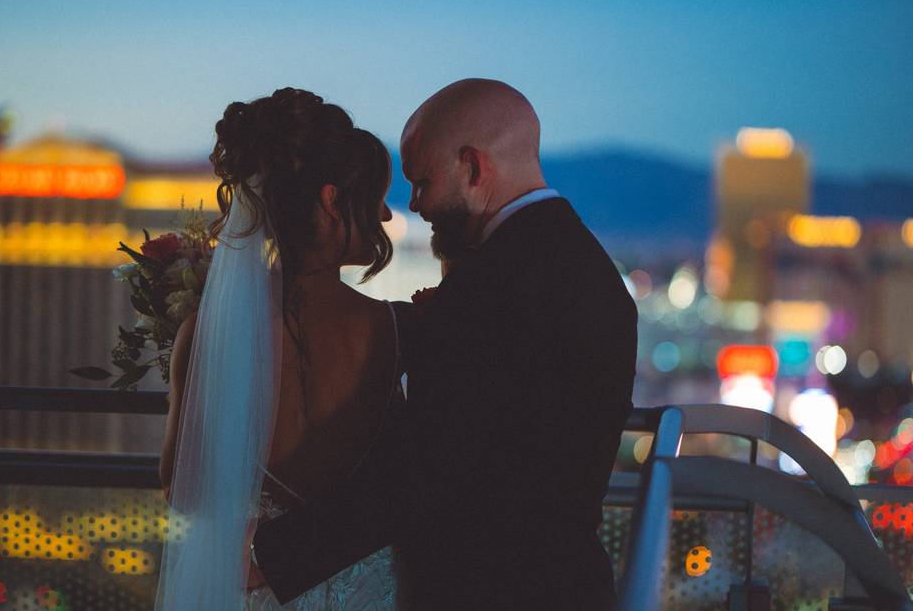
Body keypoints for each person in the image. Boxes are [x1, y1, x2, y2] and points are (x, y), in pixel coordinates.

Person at [252, 78, 638, 609]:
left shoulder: (499, 282)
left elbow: (434, 462)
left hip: (489, 591)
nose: (413, 204)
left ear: (474, 168)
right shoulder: (575, 261)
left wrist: (273, 556)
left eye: (421, 181)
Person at [155, 88, 406, 610]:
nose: (384, 215)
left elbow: (183, 490)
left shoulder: (203, 334)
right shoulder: (391, 329)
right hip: (362, 587)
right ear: (332, 200)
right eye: (376, 196)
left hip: (248, 588)